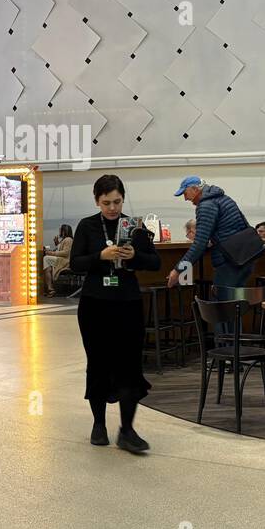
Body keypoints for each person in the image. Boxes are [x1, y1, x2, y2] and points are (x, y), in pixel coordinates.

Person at [69, 174, 160, 453]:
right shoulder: (87, 226)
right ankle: (99, 424)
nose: (112, 208)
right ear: (97, 200)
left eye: (117, 201)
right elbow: (75, 264)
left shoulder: (134, 227)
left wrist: (134, 257)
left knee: (130, 366)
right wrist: (101, 256)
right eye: (106, 202)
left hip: (128, 302)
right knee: (97, 363)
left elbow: (154, 263)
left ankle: (127, 429)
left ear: (123, 198)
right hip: (95, 304)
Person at [166, 176, 255, 291]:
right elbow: (243, 226)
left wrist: (178, 270)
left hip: (229, 260)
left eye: (185, 193)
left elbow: (199, 244)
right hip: (244, 257)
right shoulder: (224, 198)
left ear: (195, 189)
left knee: (222, 303)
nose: (185, 198)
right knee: (236, 302)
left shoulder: (206, 205)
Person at [43, 224, 74, 296]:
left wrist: (51, 253)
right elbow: (60, 250)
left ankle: (49, 287)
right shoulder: (64, 240)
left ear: (64, 231)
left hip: (65, 261)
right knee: (47, 264)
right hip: (62, 259)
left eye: (60, 230)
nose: (59, 231)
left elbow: (66, 253)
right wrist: (57, 243)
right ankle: (49, 288)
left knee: (46, 258)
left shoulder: (68, 239)